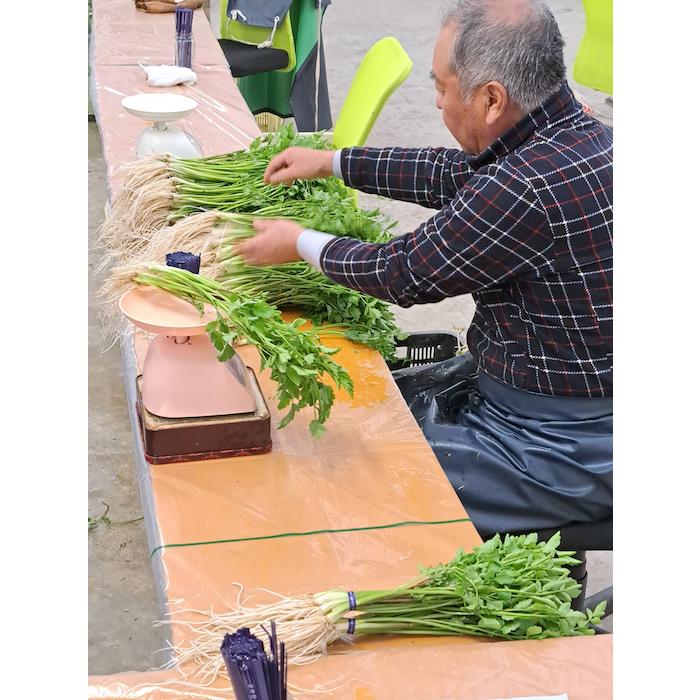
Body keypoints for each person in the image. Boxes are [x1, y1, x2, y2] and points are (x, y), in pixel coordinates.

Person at [233, 0, 613, 539]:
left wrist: (299, 242)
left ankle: (549, 608)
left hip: (561, 440)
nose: (435, 102)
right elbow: (450, 173)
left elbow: (404, 272)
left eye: (442, 88)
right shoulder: (577, 136)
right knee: (379, 410)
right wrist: (332, 160)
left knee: (360, 472)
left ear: (490, 98)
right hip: (576, 397)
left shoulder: (522, 187)